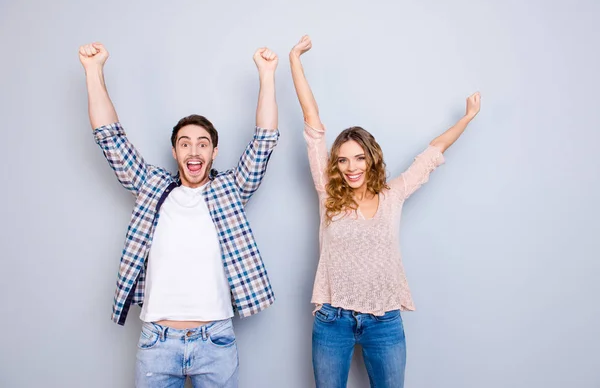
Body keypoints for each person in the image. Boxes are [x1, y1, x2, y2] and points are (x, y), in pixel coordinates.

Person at [79, 41, 280, 388]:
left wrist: (267, 75)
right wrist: (93, 71)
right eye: (185, 142)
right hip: (158, 342)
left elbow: (263, 141)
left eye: (203, 143)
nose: (194, 149)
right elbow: (111, 139)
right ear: (175, 151)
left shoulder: (230, 190)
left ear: (214, 152)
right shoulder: (151, 186)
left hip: (215, 340)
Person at [289, 35, 481, 388]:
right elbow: (312, 123)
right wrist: (295, 60)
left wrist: (467, 118)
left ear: (371, 158)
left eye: (359, 157)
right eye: (343, 160)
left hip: (385, 322)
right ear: (335, 165)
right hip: (333, 319)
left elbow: (432, 154)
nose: (351, 167)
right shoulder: (328, 193)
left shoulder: (393, 195)